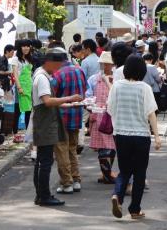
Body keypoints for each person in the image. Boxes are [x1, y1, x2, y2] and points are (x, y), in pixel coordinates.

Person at [108, 55, 161, 219]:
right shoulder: (144, 88)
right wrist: (157, 137)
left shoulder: (116, 86)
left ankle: (118, 195)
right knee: (139, 173)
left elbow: (110, 109)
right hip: (141, 136)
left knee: (124, 170)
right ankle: (135, 209)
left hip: (121, 134)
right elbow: (151, 113)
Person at [32, 48, 82, 207]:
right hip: (45, 122)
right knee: (45, 161)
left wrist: (67, 103)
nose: (59, 69)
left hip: (45, 120)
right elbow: (47, 101)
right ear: (50, 62)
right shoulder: (42, 78)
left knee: (42, 159)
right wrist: (69, 98)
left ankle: (41, 194)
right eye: (58, 65)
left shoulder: (43, 75)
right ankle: (44, 195)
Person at [51, 49, 88, 194]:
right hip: (77, 114)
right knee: (72, 148)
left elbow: (51, 97)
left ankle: (67, 183)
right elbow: (84, 91)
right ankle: (76, 179)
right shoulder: (79, 70)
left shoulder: (57, 74)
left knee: (61, 150)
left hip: (61, 115)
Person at [86, 51, 117, 183]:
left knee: (112, 146)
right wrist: (90, 105)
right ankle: (107, 174)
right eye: (104, 63)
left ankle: (107, 173)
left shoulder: (117, 78)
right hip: (98, 114)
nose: (106, 66)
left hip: (113, 115)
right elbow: (88, 95)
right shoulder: (94, 79)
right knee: (102, 147)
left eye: (108, 63)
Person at [12, 39, 33, 136]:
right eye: (24, 46)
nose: (26, 48)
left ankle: (28, 133)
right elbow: (15, 74)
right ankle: (15, 132)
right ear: (20, 47)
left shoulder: (29, 59)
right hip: (19, 87)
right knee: (18, 110)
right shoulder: (15, 59)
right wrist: (19, 87)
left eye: (28, 46)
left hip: (29, 87)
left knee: (28, 110)